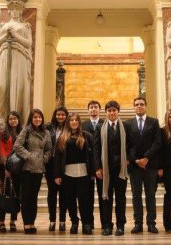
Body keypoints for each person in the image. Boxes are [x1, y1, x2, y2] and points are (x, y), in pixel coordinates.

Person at [125, 96, 161, 234]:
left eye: (141, 104)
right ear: (133, 107)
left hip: (150, 165)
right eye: (136, 104)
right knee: (136, 195)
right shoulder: (128, 124)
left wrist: (146, 158)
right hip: (135, 166)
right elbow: (127, 145)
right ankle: (138, 223)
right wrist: (135, 160)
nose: (139, 106)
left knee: (150, 195)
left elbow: (157, 142)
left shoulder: (154, 122)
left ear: (146, 106)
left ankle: (151, 223)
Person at [0, 0, 32, 126]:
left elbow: (28, 43)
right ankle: (2, 119)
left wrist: (15, 34)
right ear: (9, 11)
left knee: (18, 86)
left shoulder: (25, 26)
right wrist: (6, 35)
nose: (15, 12)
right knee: (1, 86)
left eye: (18, 10)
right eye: (13, 9)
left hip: (19, 57)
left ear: (21, 12)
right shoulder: (3, 25)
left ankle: (17, 118)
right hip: (5, 55)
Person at [54, 113, 94, 235]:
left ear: (79, 122)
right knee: (70, 200)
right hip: (67, 173)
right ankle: (74, 222)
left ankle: (86, 223)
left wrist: (92, 171)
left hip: (83, 172)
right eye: (71, 120)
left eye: (76, 120)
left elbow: (92, 156)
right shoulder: (62, 137)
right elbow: (57, 157)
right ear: (68, 122)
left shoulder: (87, 136)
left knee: (84, 200)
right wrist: (57, 175)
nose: (74, 122)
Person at [13, 108, 52, 234]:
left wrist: (44, 159)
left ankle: (32, 222)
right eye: (35, 117)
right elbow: (17, 145)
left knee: (33, 197)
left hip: (39, 169)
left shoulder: (46, 132)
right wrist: (29, 156)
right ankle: (26, 223)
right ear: (31, 118)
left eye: (39, 117)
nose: (37, 119)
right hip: (27, 169)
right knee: (26, 197)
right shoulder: (26, 130)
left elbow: (49, 149)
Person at [93, 100, 128, 236]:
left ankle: (120, 226)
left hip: (120, 169)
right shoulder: (100, 128)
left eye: (114, 110)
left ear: (118, 111)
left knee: (120, 198)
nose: (112, 113)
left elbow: (130, 145)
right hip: (105, 169)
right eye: (109, 110)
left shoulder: (125, 126)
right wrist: (97, 168)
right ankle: (107, 225)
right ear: (106, 112)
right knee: (106, 199)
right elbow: (96, 149)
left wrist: (128, 160)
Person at [0, 110, 21, 233]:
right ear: (8, 121)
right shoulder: (3, 134)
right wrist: (6, 168)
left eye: (15, 118)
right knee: (5, 194)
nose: (13, 121)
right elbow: (2, 151)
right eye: (11, 119)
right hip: (6, 167)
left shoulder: (22, 132)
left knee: (15, 195)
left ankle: (12, 221)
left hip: (18, 168)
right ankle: (1, 221)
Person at [45, 106, 68, 232]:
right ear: (55, 115)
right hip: (50, 163)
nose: (60, 116)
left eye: (63, 115)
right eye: (58, 114)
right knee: (52, 193)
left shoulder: (69, 127)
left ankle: (63, 221)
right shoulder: (48, 127)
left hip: (64, 164)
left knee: (63, 194)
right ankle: (52, 220)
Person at [81, 100, 104, 229]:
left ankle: (104, 222)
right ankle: (88, 222)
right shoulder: (83, 125)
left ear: (99, 110)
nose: (93, 109)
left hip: (102, 165)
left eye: (96, 107)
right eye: (91, 107)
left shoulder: (105, 123)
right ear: (88, 110)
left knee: (103, 196)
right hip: (87, 165)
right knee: (87, 196)